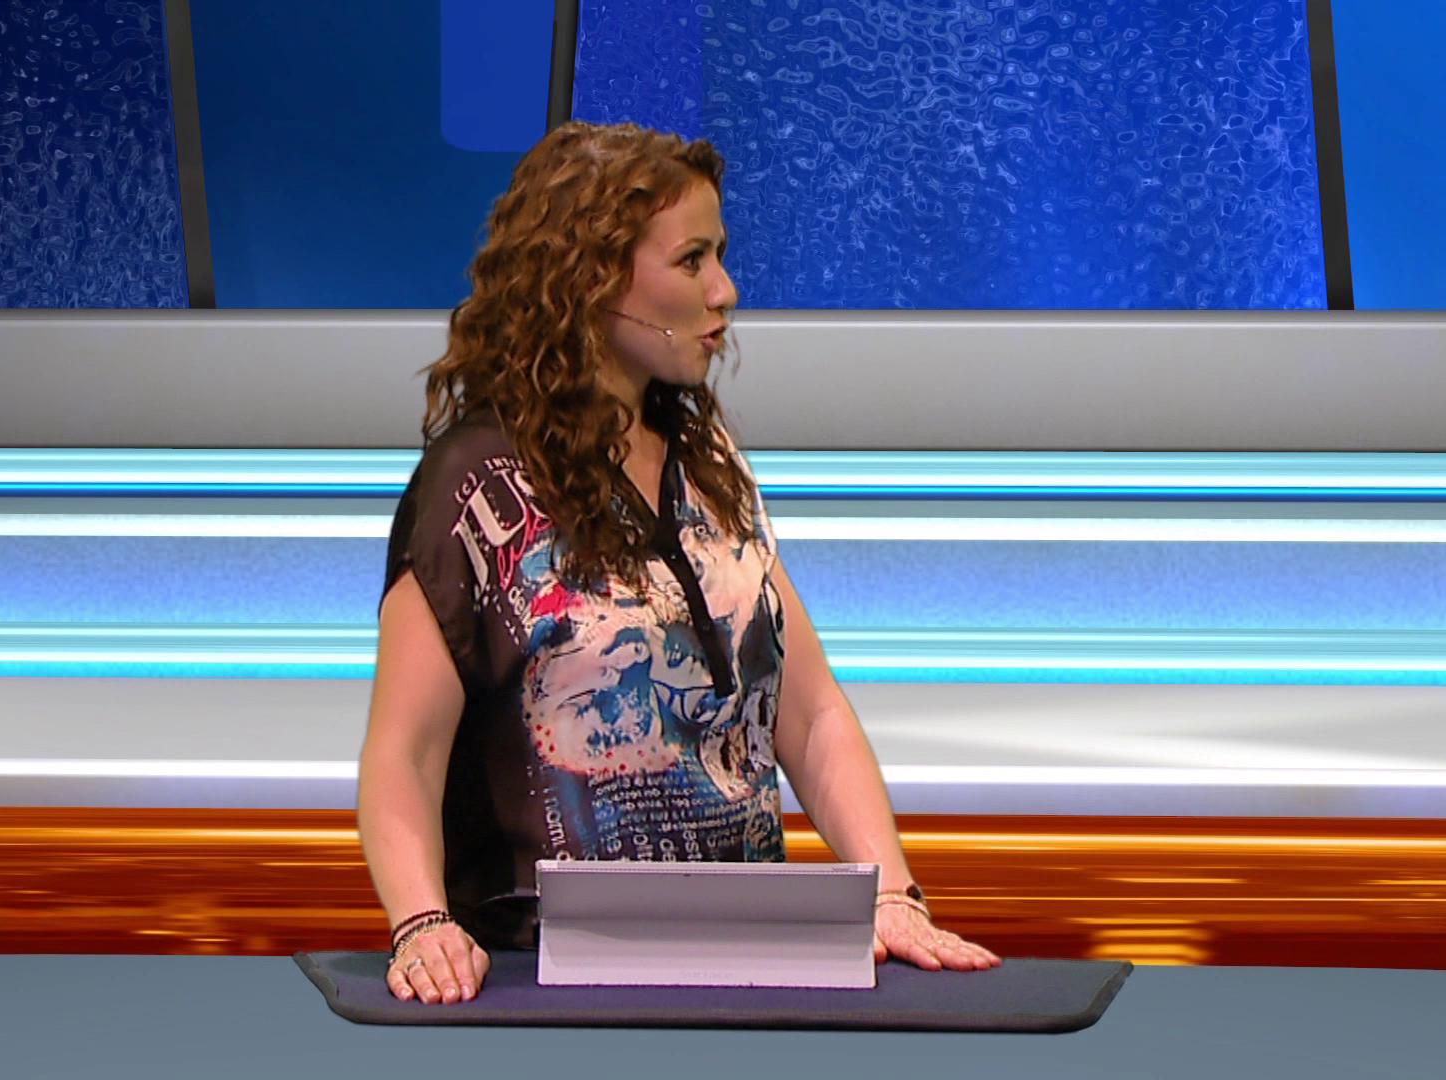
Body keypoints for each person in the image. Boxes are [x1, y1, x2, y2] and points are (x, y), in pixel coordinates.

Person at [356, 121, 1001, 1006]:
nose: (724, 291)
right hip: (545, 982)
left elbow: (810, 715)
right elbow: (406, 751)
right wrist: (421, 923)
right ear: (589, 278)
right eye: (692, 260)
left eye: (719, 256)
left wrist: (892, 893)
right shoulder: (474, 485)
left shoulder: (710, 466)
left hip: (756, 966)